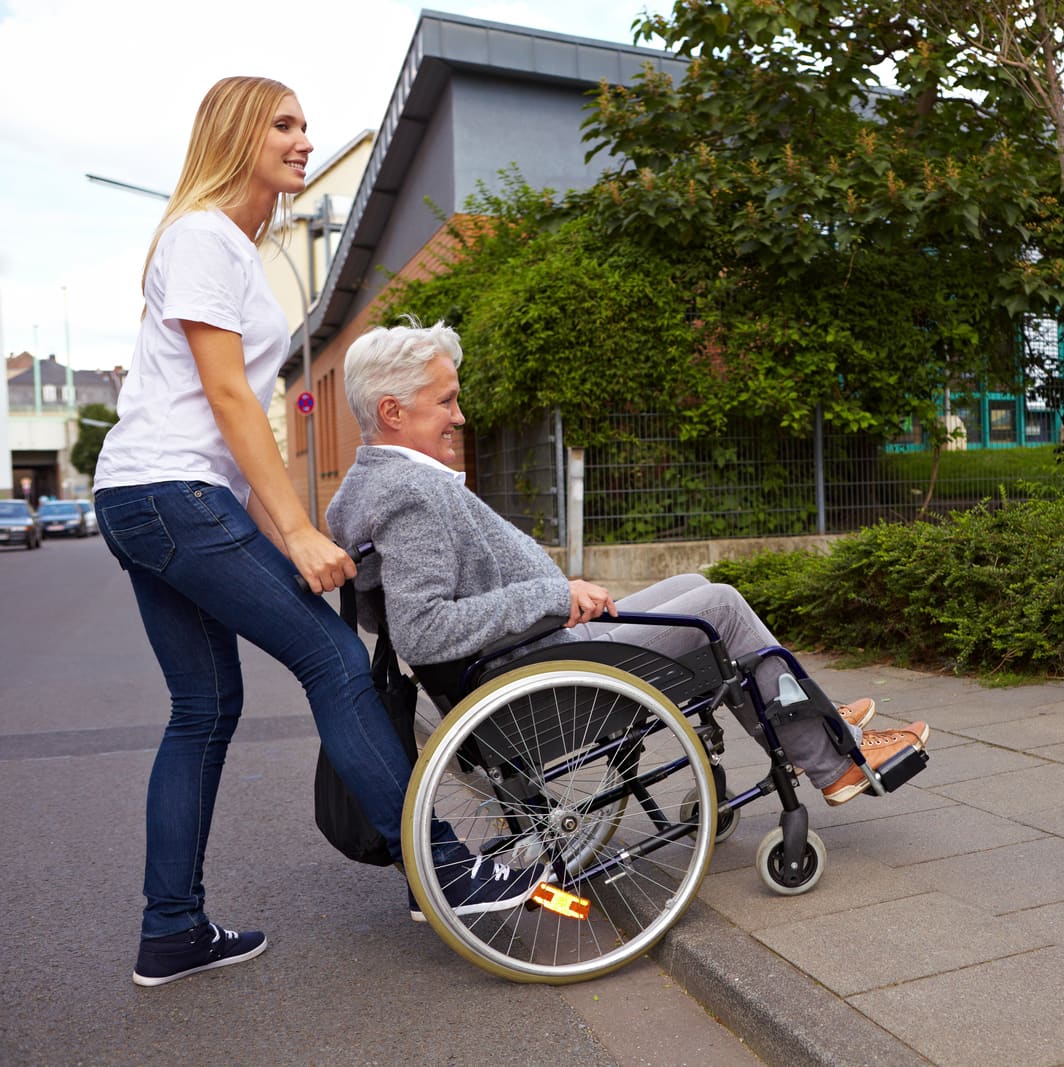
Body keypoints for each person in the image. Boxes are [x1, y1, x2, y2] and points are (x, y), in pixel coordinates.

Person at [93, 78, 541, 989]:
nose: (304, 140)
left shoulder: (229, 247)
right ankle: (443, 873)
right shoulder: (205, 238)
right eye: (285, 124)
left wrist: (292, 528)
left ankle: (171, 930)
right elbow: (227, 402)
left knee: (203, 708)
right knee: (335, 660)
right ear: (235, 134)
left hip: (155, 496)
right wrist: (294, 530)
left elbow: (226, 430)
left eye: (306, 125)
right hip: (170, 495)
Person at [325, 320, 928, 804]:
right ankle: (833, 758)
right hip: (538, 685)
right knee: (717, 608)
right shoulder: (411, 495)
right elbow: (421, 628)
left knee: (696, 583)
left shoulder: (369, 487)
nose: (460, 417)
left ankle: (805, 716)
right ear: (393, 412)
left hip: (531, 660)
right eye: (446, 401)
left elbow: (397, 618)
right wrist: (553, 598)